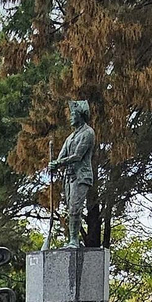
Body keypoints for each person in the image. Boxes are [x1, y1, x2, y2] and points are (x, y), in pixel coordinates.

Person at [47, 100, 95, 249]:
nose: (70, 118)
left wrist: (58, 163)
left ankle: (74, 240)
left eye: (73, 114)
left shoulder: (88, 133)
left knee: (75, 208)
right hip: (69, 178)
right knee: (70, 210)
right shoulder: (70, 138)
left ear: (80, 115)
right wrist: (53, 164)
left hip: (81, 176)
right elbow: (62, 156)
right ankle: (72, 239)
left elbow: (77, 156)